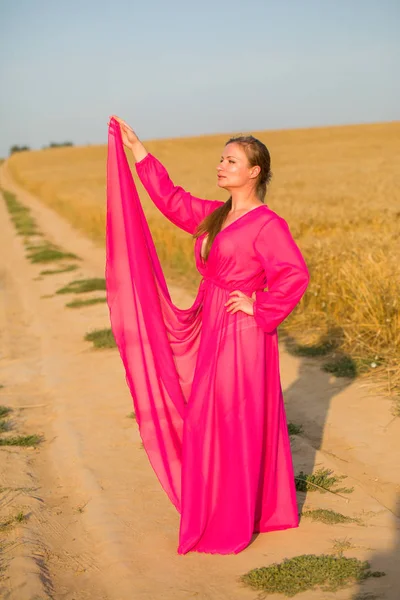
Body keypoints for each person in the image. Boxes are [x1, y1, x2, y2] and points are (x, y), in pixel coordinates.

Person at [106, 115, 310, 555]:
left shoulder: (266, 224)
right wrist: (137, 149)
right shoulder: (217, 216)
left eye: (231, 161)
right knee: (211, 416)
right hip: (213, 321)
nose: (221, 166)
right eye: (221, 158)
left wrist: (260, 305)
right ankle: (235, 505)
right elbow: (172, 200)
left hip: (243, 331)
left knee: (230, 416)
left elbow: (294, 275)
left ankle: (233, 514)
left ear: (254, 172)